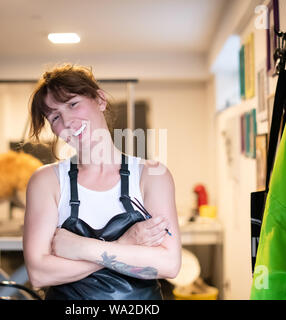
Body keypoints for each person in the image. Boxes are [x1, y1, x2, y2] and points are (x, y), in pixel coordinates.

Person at [23, 64, 181, 300]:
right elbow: (39, 274)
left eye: (73, 104)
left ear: (100, 99)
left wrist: (80, 248)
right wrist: (126, 242)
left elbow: (169, 264)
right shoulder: (47, 181)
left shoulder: (152, 175)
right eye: (55, 116)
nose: (67, 121)